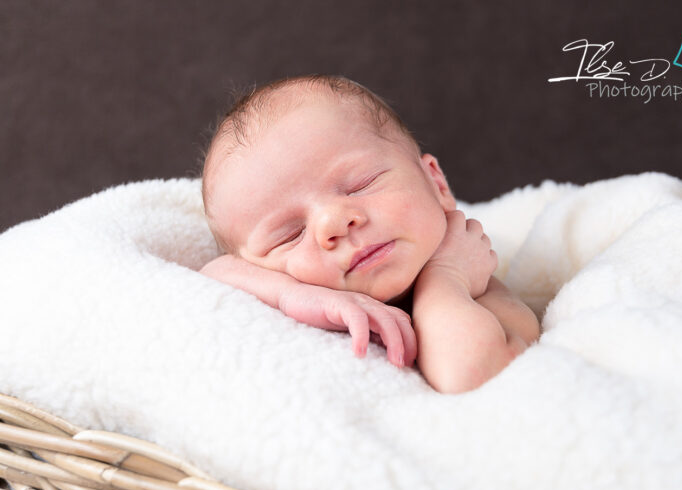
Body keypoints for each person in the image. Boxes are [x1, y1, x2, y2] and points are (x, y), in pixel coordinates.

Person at [199, 74, 540, 393]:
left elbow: (470, 374)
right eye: (289, 235)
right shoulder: (298, 295)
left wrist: (446, 277)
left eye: (361, 185)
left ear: (436, 183)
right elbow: (211, 277)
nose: (334, 222)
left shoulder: (481, 291)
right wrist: (294, 296)